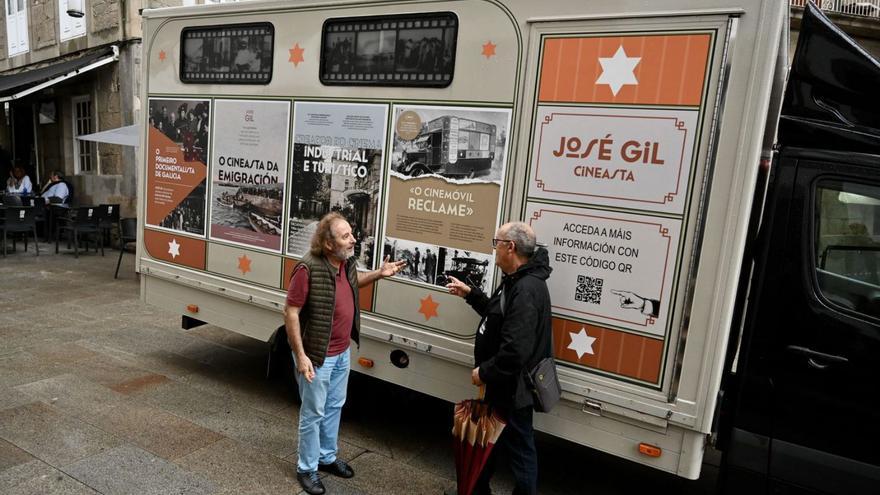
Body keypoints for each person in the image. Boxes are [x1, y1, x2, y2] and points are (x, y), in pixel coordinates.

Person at [284, 212, 406, 495]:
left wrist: (379, 273)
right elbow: (290, 312)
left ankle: (326, 457)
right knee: (313, 413)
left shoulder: (346, 263)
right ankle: (307, 468)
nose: (353, 240)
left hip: (341, 352)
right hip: (317, 355)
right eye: (346, 236)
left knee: (335, 406)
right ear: (328, 243)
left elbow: (352, 285)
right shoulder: (307, 268)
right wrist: (300, 357)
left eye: (352, 234)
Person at [445, 222, 553, 495]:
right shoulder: (517, 280)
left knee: (520, 451)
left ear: (511, 247)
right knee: (490, 442)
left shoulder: (526, 288)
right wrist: (472, 295)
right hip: (504, 385)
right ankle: (476, 490)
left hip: (511, 388)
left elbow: (516, 350)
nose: (495, 249)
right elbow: (498, 317)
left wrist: (484, 372)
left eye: (497, 243)